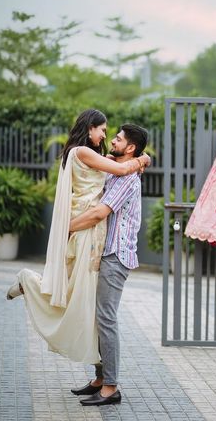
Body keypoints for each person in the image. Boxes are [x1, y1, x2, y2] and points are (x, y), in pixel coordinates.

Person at [6, 109, 150, 368]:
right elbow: (120, 170)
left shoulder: (95, 158)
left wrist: (137, 159)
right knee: (79, 297)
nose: (107, 136)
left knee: (84, 301)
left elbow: (117, 168)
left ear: (130, 146)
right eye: (104, 130)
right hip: (88, 231)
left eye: (113, 135)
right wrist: (143, 159)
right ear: (90, 128)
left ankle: (102, 374)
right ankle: (30, 283)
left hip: (100, 239)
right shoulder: (84, 153)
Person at [68, 123, 148, 406]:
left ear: (130, 147)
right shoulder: (119, 169)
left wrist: (64, 229)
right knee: (99, 318)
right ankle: (101, 379)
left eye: (118, 138)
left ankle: (111, 386)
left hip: (116, 255)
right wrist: (143, 159)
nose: (112, 139)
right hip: (106, 252)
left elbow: (99, 213)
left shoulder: (127, 179)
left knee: (106, 318)